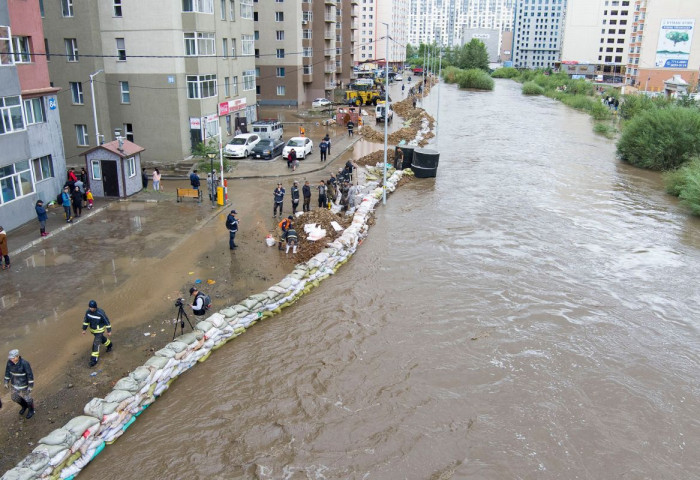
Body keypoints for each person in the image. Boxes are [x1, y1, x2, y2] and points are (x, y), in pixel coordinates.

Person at [4, 349, 35, 418]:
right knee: (14, 397)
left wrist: (30, 386)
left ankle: (31, 410)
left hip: (24, 385)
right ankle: (24, 405)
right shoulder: (9, 363)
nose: (12, 359)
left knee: (27, 398)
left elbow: (30, 375)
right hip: (14, 384)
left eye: (13, 358)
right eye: (11, 358)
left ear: (17, 356)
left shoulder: (25, 363)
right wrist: (6, 381)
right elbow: (7, 372)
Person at [82, 300, 113, 367]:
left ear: (95, 307)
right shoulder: (88, 312)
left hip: (99, 331)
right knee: (102, 339)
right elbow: (86, 321)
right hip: (93, 331)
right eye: (90, 307)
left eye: (92, 307)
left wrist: (109, 330)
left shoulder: (100, 313)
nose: (90, 309)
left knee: (96, 344)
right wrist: (84, 329)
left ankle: (94, 360)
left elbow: (107, 321)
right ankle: (109, 345)